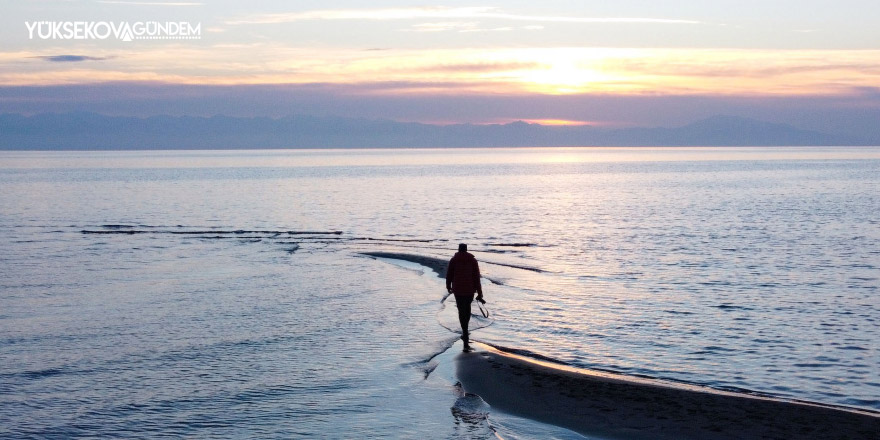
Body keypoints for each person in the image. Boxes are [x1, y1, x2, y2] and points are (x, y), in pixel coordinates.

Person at [446, 243, 484, 351]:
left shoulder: (454, 260)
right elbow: (477, 277)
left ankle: (464, 331)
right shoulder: (472, 260)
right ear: (466, 250)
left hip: (457, 290)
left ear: (458, 249)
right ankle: (465, 331)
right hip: (469, 290)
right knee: (467, 310)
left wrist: (448, 286)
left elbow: (449, 274)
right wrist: (480, 293)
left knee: (461, 310)